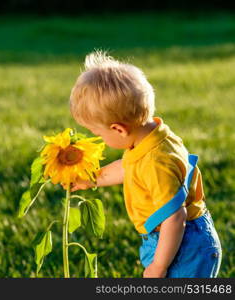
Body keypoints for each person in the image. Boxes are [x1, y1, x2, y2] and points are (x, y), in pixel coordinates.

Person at [67, 50, 222, 278]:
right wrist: (92, 178)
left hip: (183, 245)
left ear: (119, 129)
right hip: (176, 239)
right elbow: (128, 166)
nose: (100, 140)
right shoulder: (151, 139)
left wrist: (159, 265)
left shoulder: (156, 162)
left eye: (98, 134)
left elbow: (174, 217)